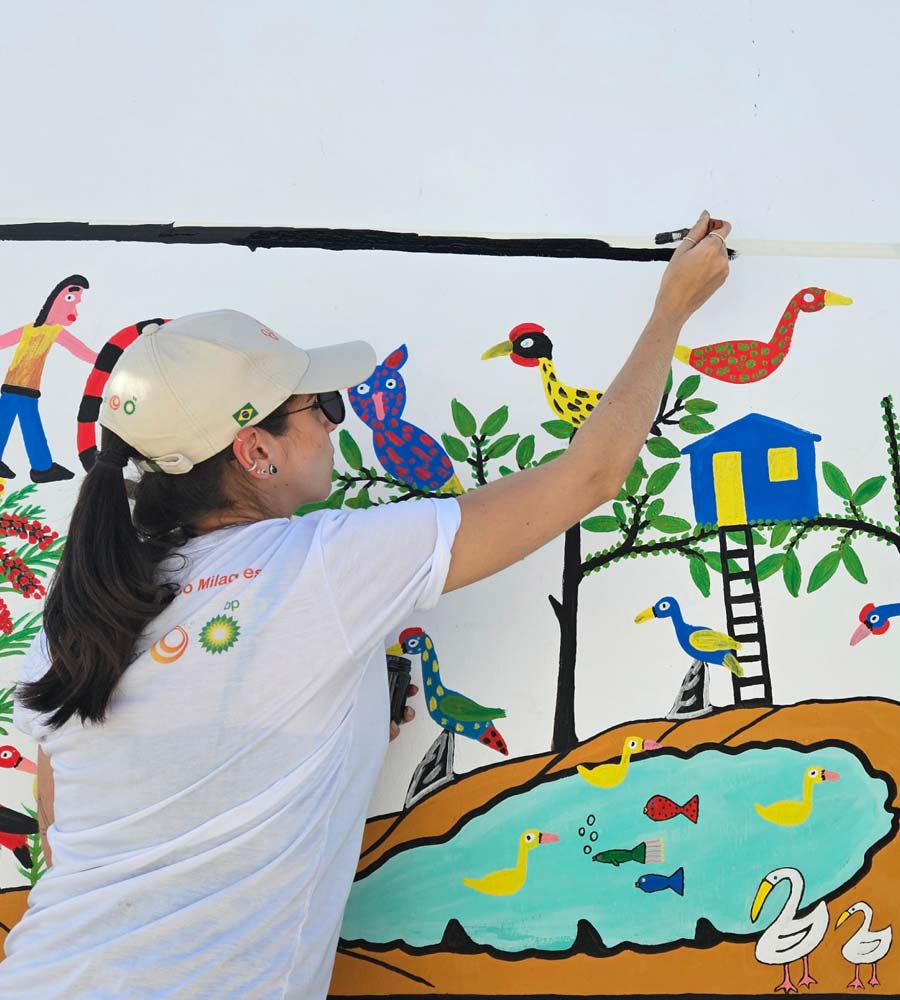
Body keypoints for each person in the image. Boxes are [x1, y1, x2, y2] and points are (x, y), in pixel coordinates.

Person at [0, 211, 730, 999]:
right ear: (256, 451)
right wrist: (671, 312)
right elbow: (585, 479)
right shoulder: (321, 565)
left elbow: (63, 819)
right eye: (324, 409)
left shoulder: (88, 606)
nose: (336, 429)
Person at [0, 275, 97, 483]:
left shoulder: (32, 330)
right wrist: (108, 357)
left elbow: (82, 352)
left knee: (12, 421)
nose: (75, 312)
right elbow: (82, 351)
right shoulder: (50, 331)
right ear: (58, 300)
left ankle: (42, 467)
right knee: (27, 423)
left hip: (15, 388)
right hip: (23, 389)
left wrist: (106, 357)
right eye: (72, 301)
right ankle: (42, 468)